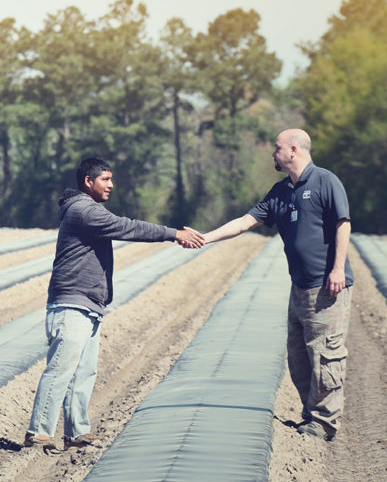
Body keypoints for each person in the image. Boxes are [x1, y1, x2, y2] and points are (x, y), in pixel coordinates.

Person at [25, 157, 205, 451]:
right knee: (61, 369)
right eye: (105, 179)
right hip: (71, 303)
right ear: (88, 181)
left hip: (89, 304)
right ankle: (38, 432)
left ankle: (76, 431)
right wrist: (174, 234)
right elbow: (127, 227)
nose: (111, 185)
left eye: (111, 179)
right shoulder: (84, 210)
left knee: (84, 372)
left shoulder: (89, 208)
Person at [201, 128, 352, 440]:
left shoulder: (325, 181)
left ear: (293, 150)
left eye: (277, 148)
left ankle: (323, 423)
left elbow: (343, 224)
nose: (273, 153)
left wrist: (337, 269)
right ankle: (310, 414)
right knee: (298, 357)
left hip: (327, 287)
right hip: (299, 288)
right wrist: (205, 238)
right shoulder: (281, 192)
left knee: (325, 356)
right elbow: (245, 222)